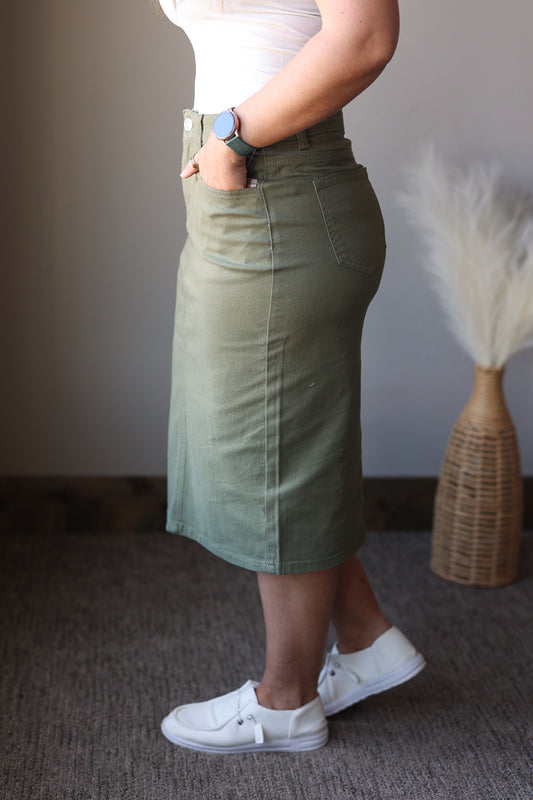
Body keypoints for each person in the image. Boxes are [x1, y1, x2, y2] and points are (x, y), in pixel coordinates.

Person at [157, 0, 425, 753]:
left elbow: (365, 38)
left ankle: (286, 704)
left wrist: (228, 134)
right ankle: (368, 638)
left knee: (276, 457)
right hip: (246, 187)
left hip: (276, 183)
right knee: (279, 442)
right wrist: (220, 147)